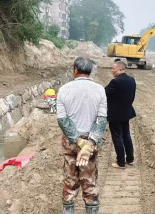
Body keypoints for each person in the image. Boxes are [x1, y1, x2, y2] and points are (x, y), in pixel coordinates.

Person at [57, 57, 107, 214]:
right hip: (90, 143)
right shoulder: (100, 90)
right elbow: (101, 119)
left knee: (70, 180)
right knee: (90, 181)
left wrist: (78, 141)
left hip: (71, 142)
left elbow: (62, 120)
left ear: (75, 70)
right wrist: (89, 143)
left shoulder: (64, 90)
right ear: (90, 71)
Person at [105, 60, 136, 168]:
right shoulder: (132, 80)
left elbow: (105, 93)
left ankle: (121, 162)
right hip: (126, 113)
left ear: (121, 69)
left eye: (113, 69)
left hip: (115, 115)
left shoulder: (115, 82)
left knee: (117, 136)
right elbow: (132, 96)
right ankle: (130, 159)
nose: (112, 71)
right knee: (126, 135)